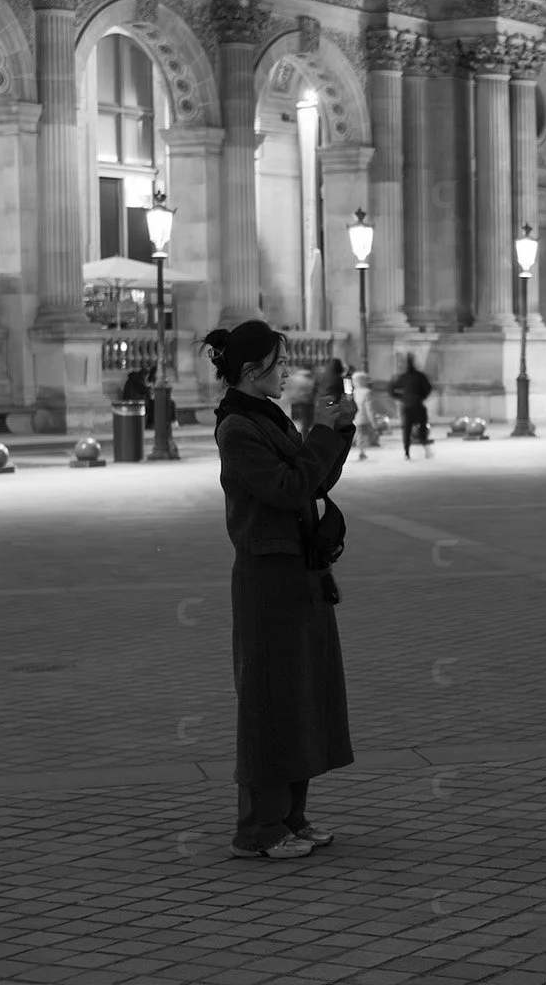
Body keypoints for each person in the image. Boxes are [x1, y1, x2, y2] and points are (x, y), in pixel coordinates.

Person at [204, 320, 357, 861]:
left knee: (301, 694)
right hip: (267, 577)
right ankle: (258, 828)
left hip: (300, 571)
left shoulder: (269, 417)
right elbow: (288, 487)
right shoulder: (237, 429)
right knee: (270, 700)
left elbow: (312, 482)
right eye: (278, 363)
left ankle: (291, 814)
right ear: (251, 372)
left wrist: (335, 434)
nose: (287, 371)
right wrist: (318, 433)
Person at [390, 355, 434, 460]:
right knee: (422, 428)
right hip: (418, 405)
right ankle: (426, 450)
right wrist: (422, 397)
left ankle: (407, 452)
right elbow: (428, 388)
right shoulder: (419, 376)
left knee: (407, 430)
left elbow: (392, 390)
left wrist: (402, 398)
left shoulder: (403, 377)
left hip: (407, 406)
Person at [350, 371, 381, 458]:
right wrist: (373, 421)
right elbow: (369, 408)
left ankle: (362, 449)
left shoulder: (354, 392)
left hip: (356, 417)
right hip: (364, 418)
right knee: (362, 435)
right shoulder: (367, 392)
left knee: (360, 434)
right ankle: (361, 451)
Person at [283, 366, 316, 436]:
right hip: (306, 404)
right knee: (305, 424)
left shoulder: (303, 378)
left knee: (305, 424)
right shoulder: (307, 379)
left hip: (306, 404)